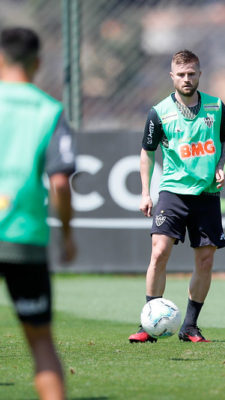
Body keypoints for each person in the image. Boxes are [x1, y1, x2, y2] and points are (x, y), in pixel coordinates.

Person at [129, 49, 225, 343]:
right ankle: (147, 324)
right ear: (172, 77)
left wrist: (220, 166)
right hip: (172, 192)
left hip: (207, 194)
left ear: (200, 74)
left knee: (205, 261)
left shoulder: (217, 107)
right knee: (159, 252)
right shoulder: (158, 112)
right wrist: (146, 192)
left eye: (192, 74)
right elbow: (146, 153)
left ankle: (190, 326)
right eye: (181, 74)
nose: (187, 79)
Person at [0, 28, 76, 399]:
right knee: (41, 339)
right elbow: (60, 184)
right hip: (24, 238)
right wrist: (66, 235)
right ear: (38, 63)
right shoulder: (49, 110)